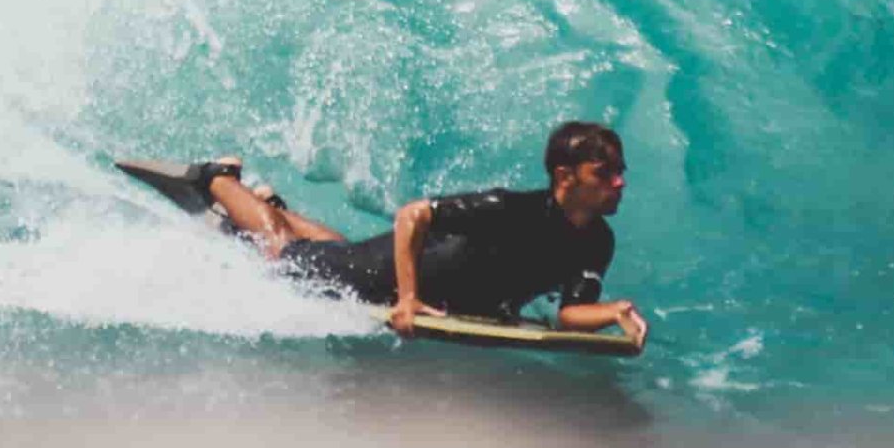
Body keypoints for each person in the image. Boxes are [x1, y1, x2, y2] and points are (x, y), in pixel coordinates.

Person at [197, 120, 647, 347]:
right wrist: (407, 299)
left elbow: (571, 315)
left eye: (621, 172)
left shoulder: (598, 242)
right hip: (382, 279)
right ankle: (219, 179)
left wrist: (615, 312)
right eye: (604, 173)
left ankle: (272, 206)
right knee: (284, 254)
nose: (619, 182)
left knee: (334, 248)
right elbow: (413, 216)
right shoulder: (509, 209)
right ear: (566, 177)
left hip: (411, 277)